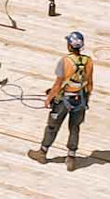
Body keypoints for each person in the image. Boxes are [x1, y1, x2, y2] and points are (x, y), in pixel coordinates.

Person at [30, 31, 95, 171]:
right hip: (81, 99)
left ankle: (42, 152)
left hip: (64, 100)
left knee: (52, 126)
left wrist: (49, 99)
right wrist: (86, 99)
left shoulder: (65, 61)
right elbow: (89, 83)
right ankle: (71, 158)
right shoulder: (88, 61)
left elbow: (58, 84)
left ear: (69, 46)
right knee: (74, 127)